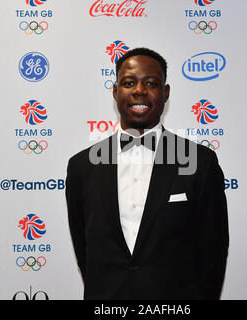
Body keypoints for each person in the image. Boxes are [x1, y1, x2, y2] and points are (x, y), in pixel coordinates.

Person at [66, 47, 229, 300]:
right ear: (115, 91)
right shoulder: (82, 166)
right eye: (129, 82)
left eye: (151, 83)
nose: (139, 91)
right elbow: (84, 250)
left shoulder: (200, 162)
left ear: (165, 93)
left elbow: (213, 253)